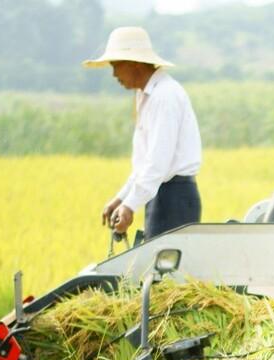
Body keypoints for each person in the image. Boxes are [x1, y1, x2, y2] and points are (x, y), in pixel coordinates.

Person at [83, 27, 202, 239]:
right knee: (155, 270)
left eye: (116, 65)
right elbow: (144, 163)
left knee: (165, 270)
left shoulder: (163, 96)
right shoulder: (146, 95)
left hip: (175, 198)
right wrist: (122, 198)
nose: (114, 74)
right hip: (161, 195)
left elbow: (158, 162)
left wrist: (130, 206)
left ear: (134, 63)